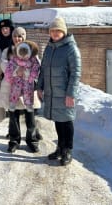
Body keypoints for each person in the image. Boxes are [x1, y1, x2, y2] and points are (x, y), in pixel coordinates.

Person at [37, 17, 81, 166]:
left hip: (64, 93)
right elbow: (43, 69)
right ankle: (60, 148)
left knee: (66, 121)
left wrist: (71, 94)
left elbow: (76, 73)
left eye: (58, 30)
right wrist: (40, 87)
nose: (55, 33)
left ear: (63, 31)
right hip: (51, 91)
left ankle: (67, 150)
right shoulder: (49, 47)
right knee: (58, 120)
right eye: (52, 31)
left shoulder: (71, 48)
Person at [0, 27, 41, 153]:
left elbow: (37, 67)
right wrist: (18, 71)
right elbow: (3, 65)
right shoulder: (7, 51)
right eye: (15, 36)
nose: (17, 39)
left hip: (28, 87)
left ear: (24, 37)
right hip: (12, 87)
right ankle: (14, 140)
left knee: (30, 115)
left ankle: (32, 140)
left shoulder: (31, 51)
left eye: (20, 36)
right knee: (13, 115)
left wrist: (26, 72)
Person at [5, 41, 40, 112]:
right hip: (17, 79)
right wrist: (13, 74)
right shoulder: (15, 59)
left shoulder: (32, 59)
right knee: (15, 90)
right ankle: (12, 103)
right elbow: (9, 67)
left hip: (27, 79)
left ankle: (28, 104)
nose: (23, 57)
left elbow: (36, 67)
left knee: (28, 91)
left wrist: (31, 77)